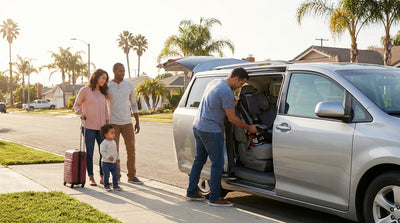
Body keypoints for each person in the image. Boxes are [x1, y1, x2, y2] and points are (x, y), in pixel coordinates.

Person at [186, 67, 258, 207]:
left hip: (198, 126)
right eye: (241, 83)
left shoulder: (215, 83)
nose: (240, 86)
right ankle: (214, 198)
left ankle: (191, 192)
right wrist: (249, 127)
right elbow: (231, 118)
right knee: (217, 163)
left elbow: (216, 103)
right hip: (211, 130)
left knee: (199, 160)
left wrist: (232, 104)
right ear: (235, 78)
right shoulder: (226, 92)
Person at [107, 62, 142, 185]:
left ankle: (132, 176)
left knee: (131, 150)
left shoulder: (129, 85)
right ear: (114, 71)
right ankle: (116, 176)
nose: (122, 73)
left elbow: (133, 103)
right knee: (114, 150)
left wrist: (137, 121)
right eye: (120, 71)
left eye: (123, 71)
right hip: (113, 123)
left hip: (127, 122)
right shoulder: (108, 85)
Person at [74, 68, 109, 186]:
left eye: (105, 79)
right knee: (89, 152)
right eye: (102, 78)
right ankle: (91, 176)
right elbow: (76, 105)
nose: (104, 80)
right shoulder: (85, 90)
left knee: (103, 152)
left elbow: (105, 111)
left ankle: (103, 176)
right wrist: (81, 113)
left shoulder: (103, 93)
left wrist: (108, 125)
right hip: (88, 126)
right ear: (96, 77)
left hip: (102, 128)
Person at [100, 124, 122, 191]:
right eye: (112, 133)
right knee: (106, 175)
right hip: (106, 163)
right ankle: (106, 186)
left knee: (115, 174)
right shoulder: (104, 143)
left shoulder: (113, 142)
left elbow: (115, 151)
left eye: (114, 133)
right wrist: (108, 157)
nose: (114, 134)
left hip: (113, 163)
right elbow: (102, 151)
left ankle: (115, 185)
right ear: (106, 134)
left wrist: (117, 158)